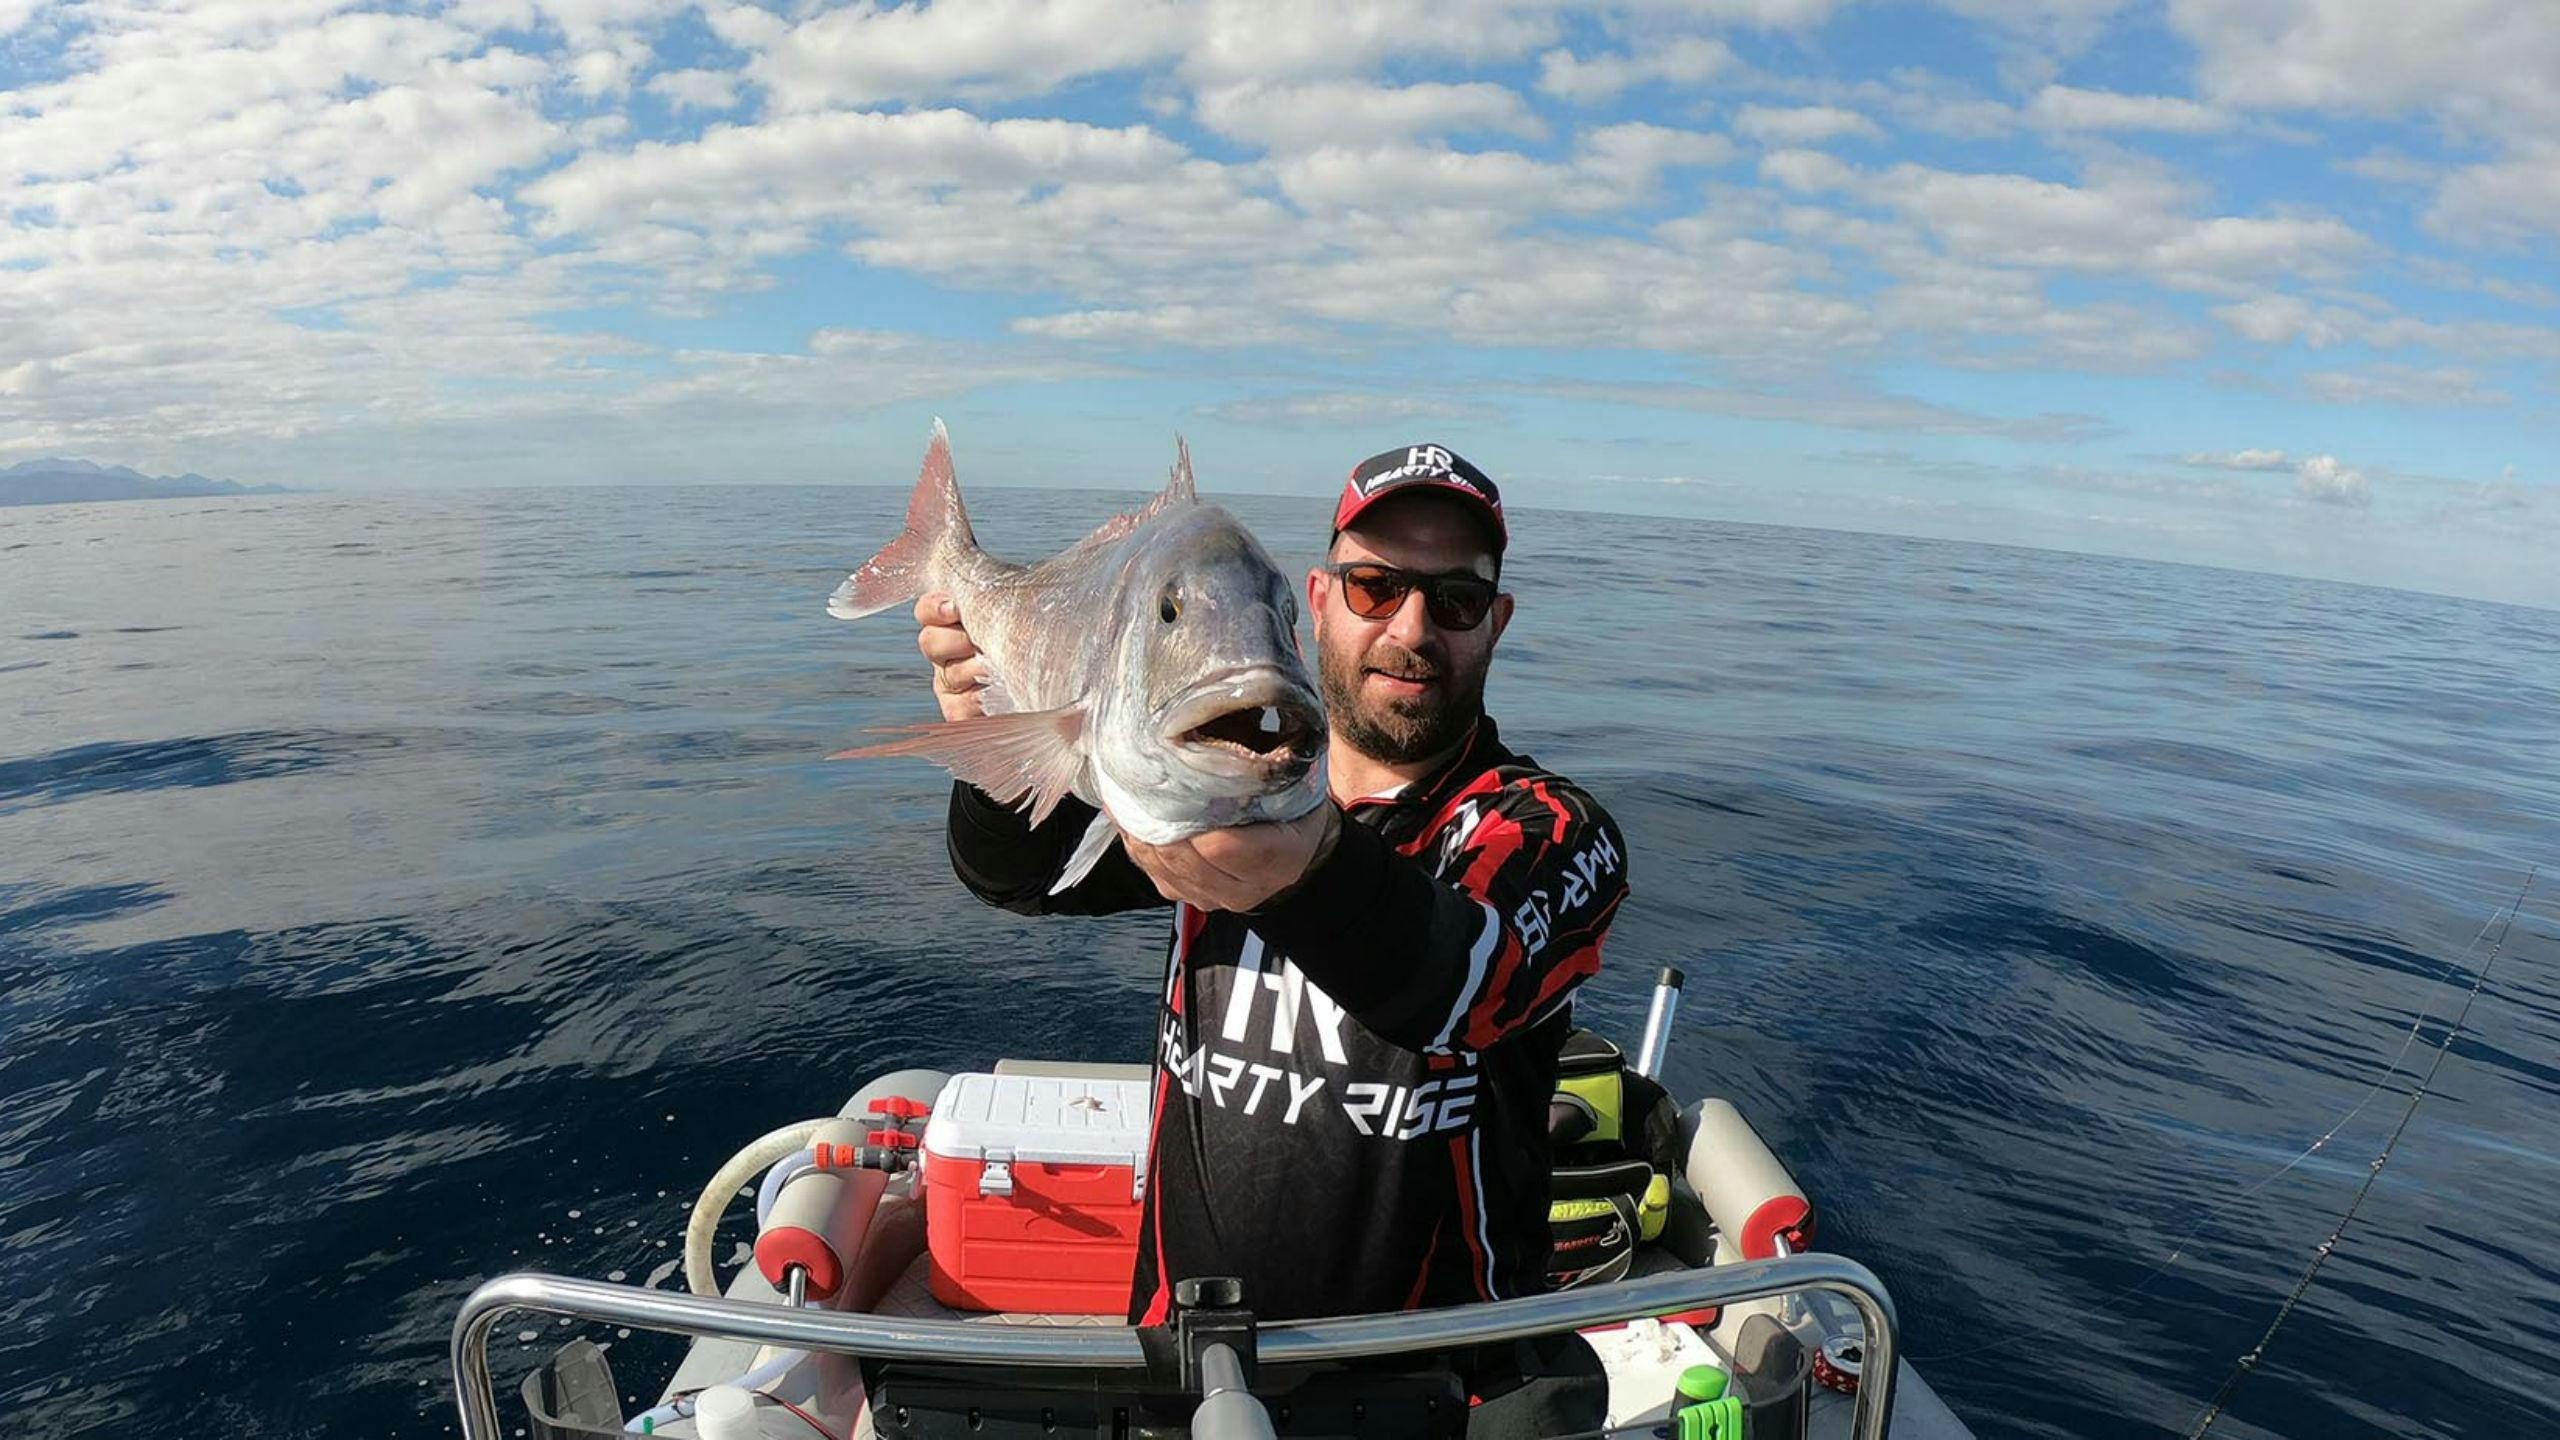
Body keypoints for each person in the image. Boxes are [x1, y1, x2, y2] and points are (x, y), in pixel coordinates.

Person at [913, 443, 1629, 1423]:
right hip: (1190, 1365)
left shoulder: (1544, 829)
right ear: (1317, 603)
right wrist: (996, 749)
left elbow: (1473, 980)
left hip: (1439, 1389)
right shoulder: (1213, 780)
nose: (1411, 629)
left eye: (1456, 601)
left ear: (1496, 621)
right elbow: (1017, 876)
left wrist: (1307, 870)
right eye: (1376, 588)